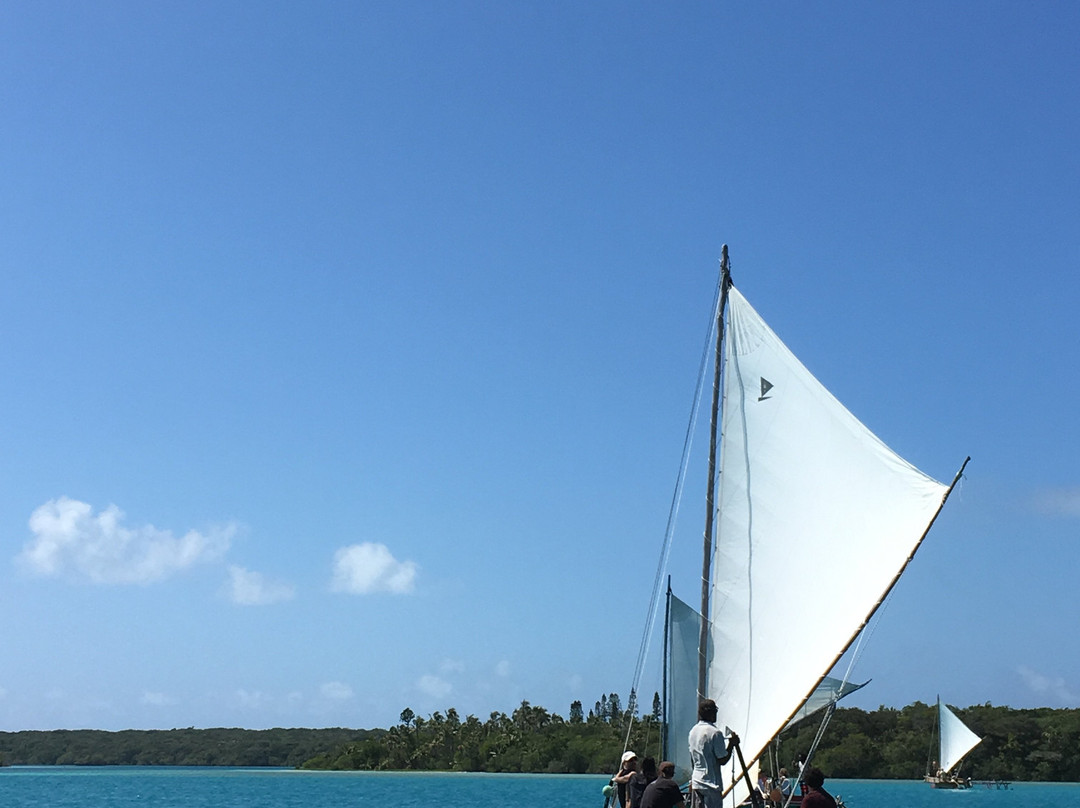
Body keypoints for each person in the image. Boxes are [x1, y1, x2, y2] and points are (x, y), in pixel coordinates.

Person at [688, 698, 738, 808]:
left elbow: (692, 757)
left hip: (697, 781)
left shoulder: (693, 731)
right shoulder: (715, 733)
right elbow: (722, 759)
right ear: (711, 713)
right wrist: (731, 744)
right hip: (711, 784)